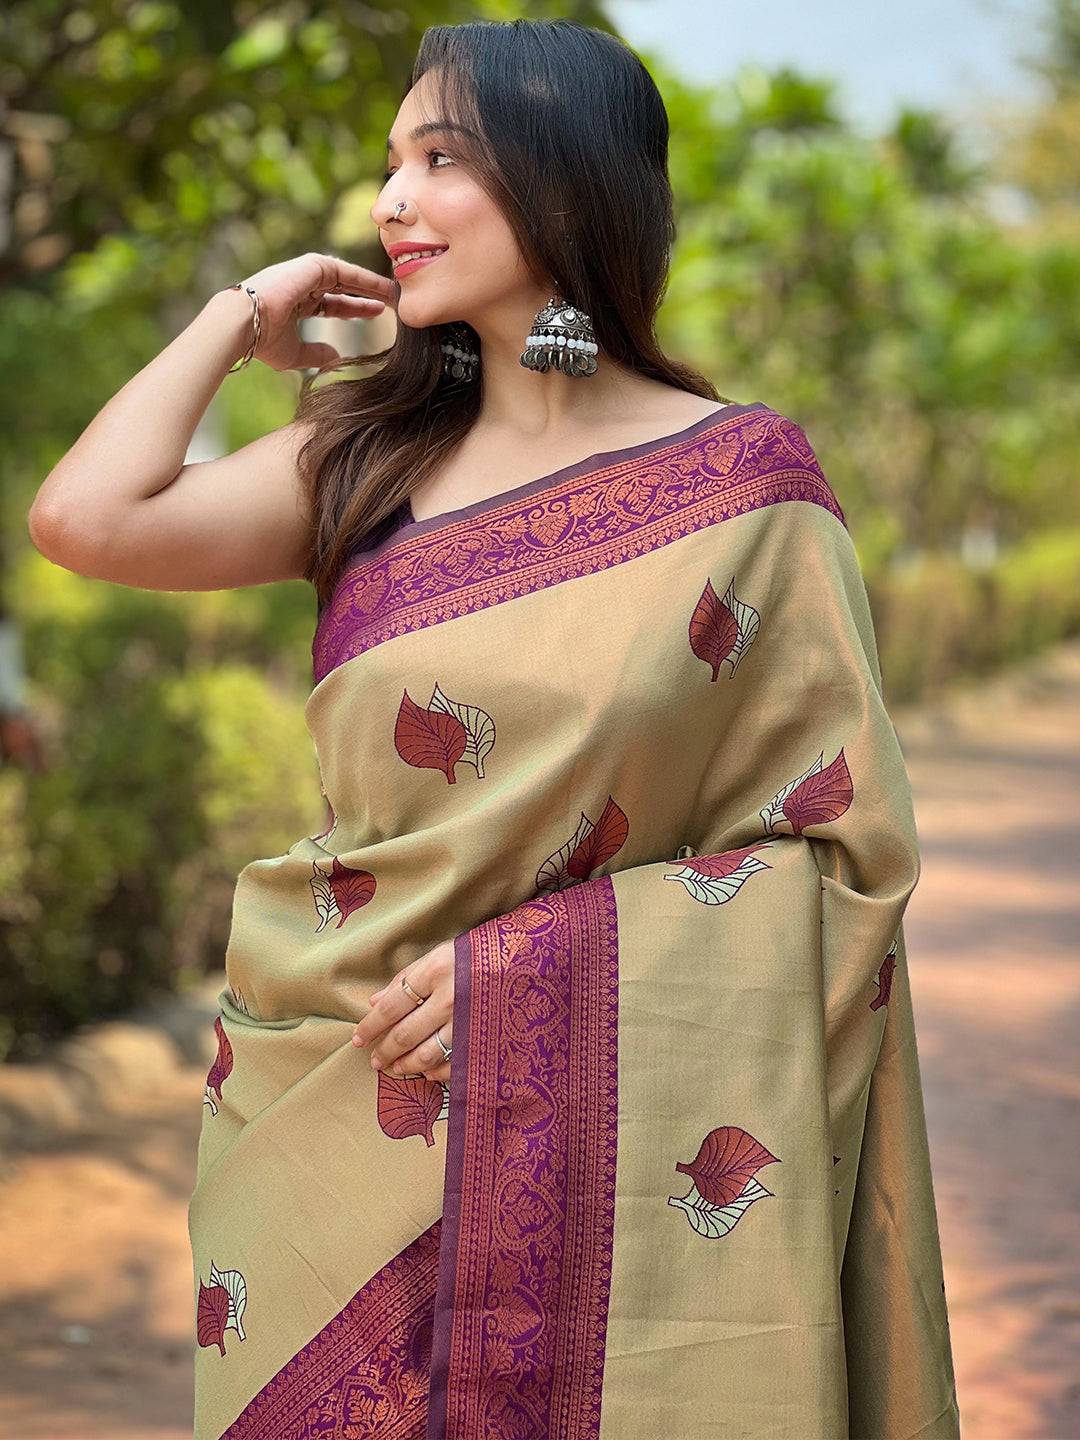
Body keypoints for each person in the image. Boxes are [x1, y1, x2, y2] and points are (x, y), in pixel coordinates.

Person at [28, 18, 961, 1439]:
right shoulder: (363, 457)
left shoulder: (743, 491)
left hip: (599, 1141)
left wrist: (539, 978)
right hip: (328, 1108)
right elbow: (83, 520)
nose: (391, 201)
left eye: (441, 158)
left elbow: (845, 865)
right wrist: (237, 318)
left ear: (569, 186)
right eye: (390, 162)